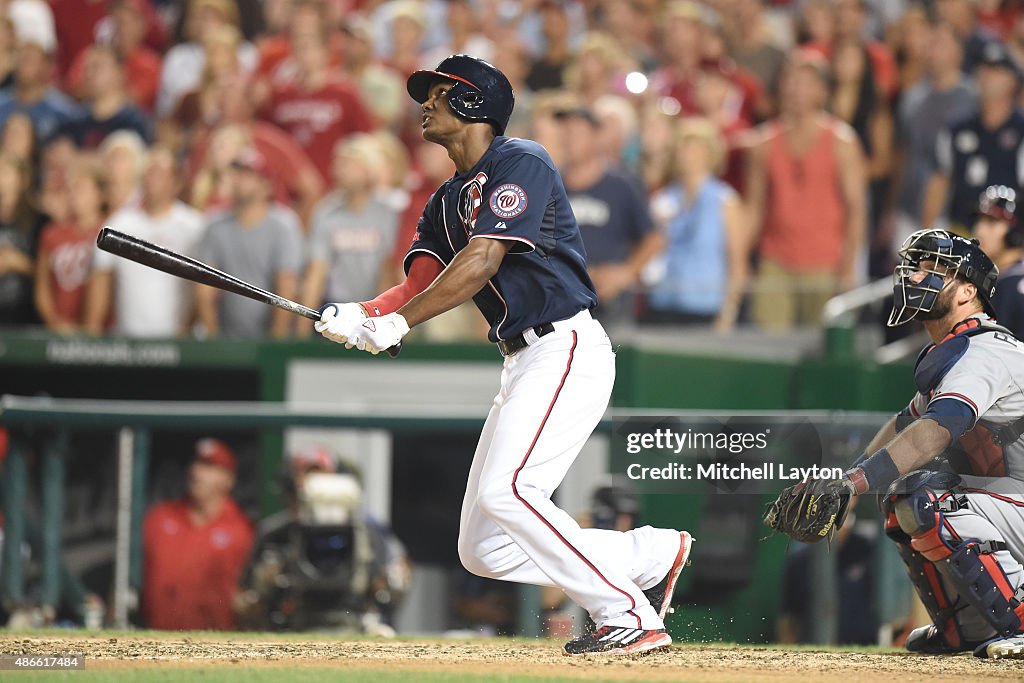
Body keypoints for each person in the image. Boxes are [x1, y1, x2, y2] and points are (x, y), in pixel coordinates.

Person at [313, 54, 694, 656]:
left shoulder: (522, 160)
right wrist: (364, 315)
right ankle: (647, 555)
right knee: (484, 549)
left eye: (439, 94)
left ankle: (626, 612)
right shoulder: (444, 201)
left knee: (509, 493)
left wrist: (398, 324)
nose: (426, 104)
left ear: (473, 104)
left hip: (565, 345)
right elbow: (417, 283)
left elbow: (483, 259)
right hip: (522, 361)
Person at [765, 228, 1024, 659]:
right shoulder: (957, 349)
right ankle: (972, 629)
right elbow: (906, 423)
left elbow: (935, 430)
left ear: (966, 291)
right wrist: (850, 484)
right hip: (1012, 505)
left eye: (931, 270)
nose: (915, 277)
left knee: (928, 498)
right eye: (915, 266)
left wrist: (854, 485)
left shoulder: (986, 352)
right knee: (902, 494)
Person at [745, 51, 866, 330]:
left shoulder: (842, 141)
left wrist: (848, 268)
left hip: (825, 264)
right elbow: (755, 207)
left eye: (805, 82)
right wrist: (740, 260)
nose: (794, 89)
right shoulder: (763, 143)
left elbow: (856, 209)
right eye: (790, 80)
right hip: (775, 260)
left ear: (822, 91)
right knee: (770, 344)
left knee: (819, 346)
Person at [555, 104, 661, 326]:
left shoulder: (620, 185)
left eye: (577, 133)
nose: (569, 140)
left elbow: (653, 239)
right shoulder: (552, 186)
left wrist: (627, 272)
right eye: (565, 133)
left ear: (595, 137)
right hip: (562, 302)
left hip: (610, 304)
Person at [84, 148, 204, 337]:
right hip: (129, 343)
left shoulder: (194, 227)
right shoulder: (119, 225)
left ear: (177, 182)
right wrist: (92, 333)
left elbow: (204, 288)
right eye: (148, 173)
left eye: (159, 173)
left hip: (180, 342)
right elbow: (101, 278)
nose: (151, 179)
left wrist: (187, 330)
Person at [644, 117, 747, 332]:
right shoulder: (663, 199)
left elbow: (737, 264)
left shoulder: (725, 201)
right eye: (682, 147)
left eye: (694, 147)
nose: (686, 154)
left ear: (710, 154)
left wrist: (728, 314)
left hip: (706, 306)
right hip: (663, 303)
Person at [142, 438, 255, 630]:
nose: (196, 473)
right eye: (196, 464)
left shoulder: (241, 529)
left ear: (228, 479)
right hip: (156, 640)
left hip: (214, 645)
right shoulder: (160, 518)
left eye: (209, 466)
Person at [194, 148, 303, 338]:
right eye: (237, 174)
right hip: (226, 338)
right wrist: (214, 342)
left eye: (247, 175)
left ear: (266, 185)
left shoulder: (283, 225)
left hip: (270, 338)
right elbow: (204, 290)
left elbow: (286, 287)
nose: (238, 180)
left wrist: (274, 345)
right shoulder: (215, 225)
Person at [922, 43, 1024, 232]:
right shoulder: (957, 128)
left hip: (1009, 240)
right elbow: (940, 181)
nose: (987, 76)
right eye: (983, 69)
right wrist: (927, 233)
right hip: (963, 236)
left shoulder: (1020, 131)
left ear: (1013, 80)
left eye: (996, 71)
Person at [300, 136, 399, 326]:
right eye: (338, 163)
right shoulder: (326, 212)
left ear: (370, 169)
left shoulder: (389, 213)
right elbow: (316, 273)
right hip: (335, 312)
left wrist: (381, 320)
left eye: (349, 164)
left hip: (377, 311)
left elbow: (389, 271)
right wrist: (304, 328)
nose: (340, 170)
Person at [33, 160, 105, 334]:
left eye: (81, 188)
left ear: (100, 194)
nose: (74, 195)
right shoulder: (51, 234)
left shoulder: (111, 231)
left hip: (104, 334)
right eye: (71, 189)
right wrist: (55, 322)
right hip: (60, 331)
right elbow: (42, 287)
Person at [54, 44, 153, 149]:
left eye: (97, 67)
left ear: (119, 73)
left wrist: (80, 159)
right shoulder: (71, 122)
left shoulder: (135, 123)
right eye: (86, 68)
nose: (89, 73)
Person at [972, 185, 1024, 338]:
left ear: (1014, 232)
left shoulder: (1016, 286)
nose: (979, 230)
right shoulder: (997, 280)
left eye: (991, 222)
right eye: (980, 220)